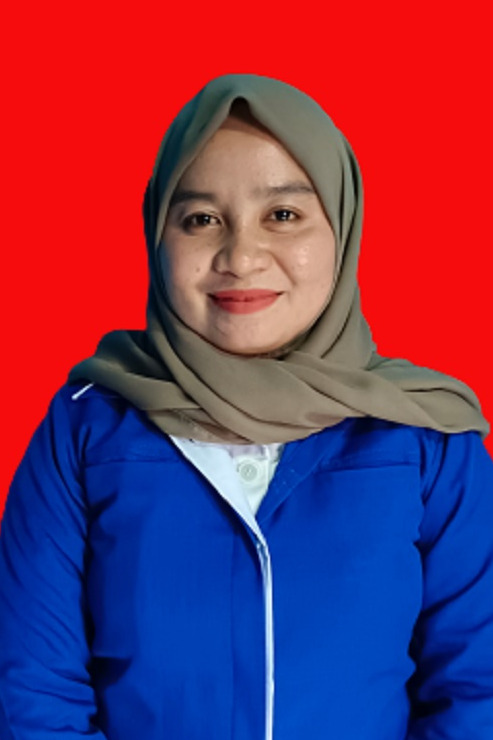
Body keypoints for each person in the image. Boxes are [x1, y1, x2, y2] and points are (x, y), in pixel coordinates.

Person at [0, 74, 492, 740]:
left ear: (341, 227)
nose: (240, 256)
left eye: (282, 215)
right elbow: (33, 691)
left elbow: (477, 692)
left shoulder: (428, 439)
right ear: (157, 234)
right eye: (201, 219)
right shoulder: (86, 429)